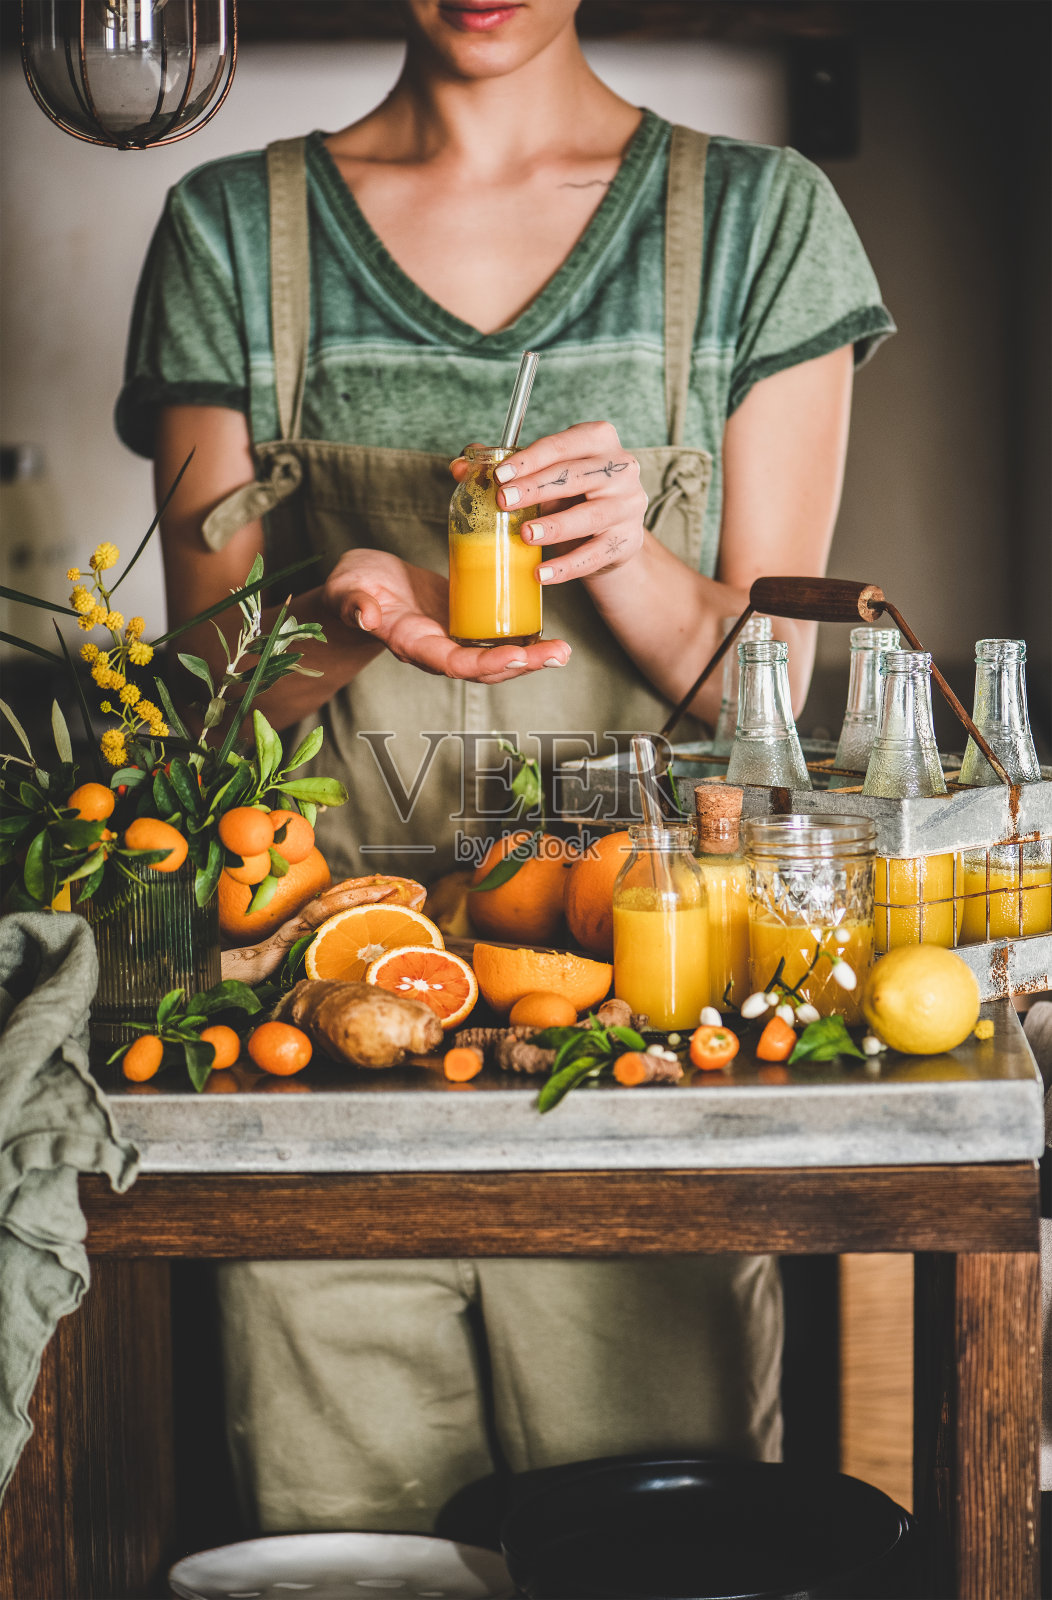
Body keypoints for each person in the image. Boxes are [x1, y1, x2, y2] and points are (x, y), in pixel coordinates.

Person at [117, 0, 894, 1534]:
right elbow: (202, 715)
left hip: (640, 1062)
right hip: (320, 1044)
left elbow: (767, 695)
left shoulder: (761, 224)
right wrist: (334, 611)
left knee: (649, 1552)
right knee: (345, 1552)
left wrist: (630, 560)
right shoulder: (230, 232)